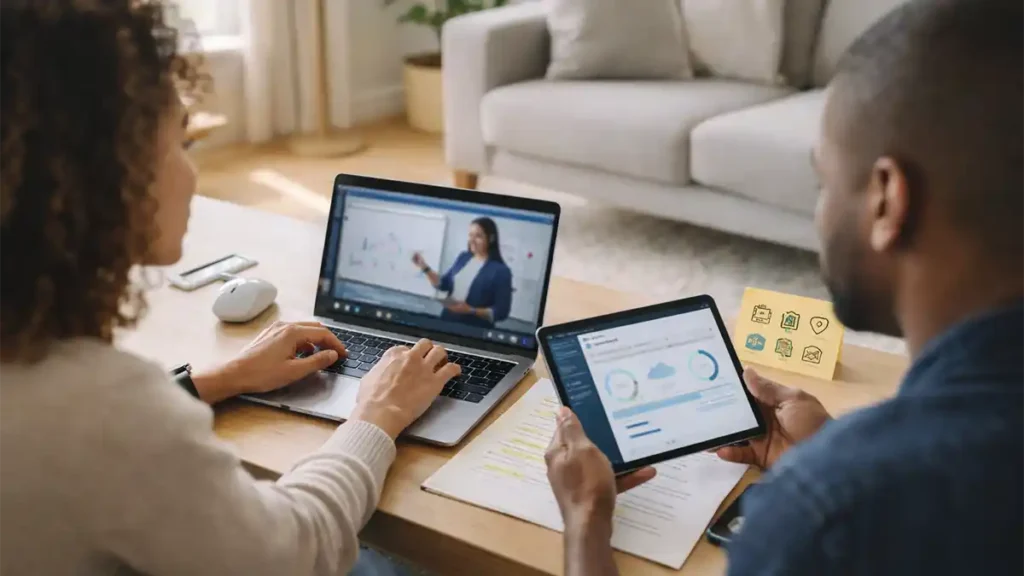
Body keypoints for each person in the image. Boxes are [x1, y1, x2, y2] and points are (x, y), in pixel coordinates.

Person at [546, 0, 1024, 574]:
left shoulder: (827, 512)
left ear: (886, 200)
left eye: (824, 180)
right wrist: (828, 444)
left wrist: (588, 515)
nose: (820, 214)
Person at [0, 3, 459, 575]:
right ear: (106, 176)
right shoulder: (104, 410)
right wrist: (377, 415)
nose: (193, 175)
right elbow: (300, 552)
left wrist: (222, 379)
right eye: (182, 144)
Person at [412, 217, 513, 327]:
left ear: (491, 238)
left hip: (474, 330)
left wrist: (471, 310)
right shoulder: (464, 257)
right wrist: (424, 267)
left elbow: (501, 312)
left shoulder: (501, 271)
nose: (472, 240)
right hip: (447, 320)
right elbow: (443, 284)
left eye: (478, 236)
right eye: (470, 235)